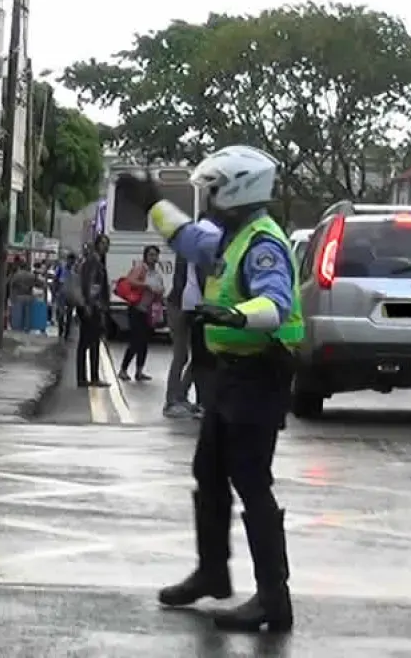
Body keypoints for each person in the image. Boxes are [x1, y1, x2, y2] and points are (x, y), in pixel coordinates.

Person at [114, 145, 301, 634]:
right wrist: (154, 199)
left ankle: (272, 598)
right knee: (211, 472)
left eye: (215, 190)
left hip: (259, 374)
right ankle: (213, 572)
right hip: (229, 374)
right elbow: (187, 237)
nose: (210, 199)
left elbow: (277, 304)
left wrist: (237, 314)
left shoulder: (263, 244)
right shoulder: (231, 238)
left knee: (251, 481)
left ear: (238, 189)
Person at [164, 219, 209, 419]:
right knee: (182, 354)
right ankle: (172, 400)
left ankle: (180, 395)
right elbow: (187, 280)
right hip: (181, 305)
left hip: (186, 304)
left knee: (198, 355)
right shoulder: (192, 250)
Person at [118, 245, 165, 381]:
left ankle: (139, 371)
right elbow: (130, 280)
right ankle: (123, 369)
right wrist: (146, 286)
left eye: (155, 255)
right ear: (145, 256)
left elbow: (160, 289)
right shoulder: (141, 268)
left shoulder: (156, 273)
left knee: (144, 342)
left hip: (148, 312)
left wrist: (160, 293)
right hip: (136, 309)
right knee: (135, 341)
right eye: (151, 255)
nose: (153, 258)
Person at [73, 235, 111, 388]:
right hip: (92, 306)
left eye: (107, 244)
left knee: (93, 342)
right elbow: (90, 284)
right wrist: (90, 304)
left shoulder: (95, 261)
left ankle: (90, 376)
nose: (106, 247)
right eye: (103, 244)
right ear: (97, 245)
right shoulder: (93, 261)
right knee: (88, 342)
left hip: (92, 305)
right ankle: (87, 377)